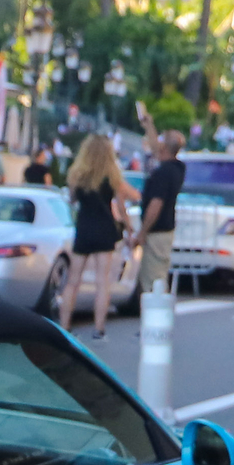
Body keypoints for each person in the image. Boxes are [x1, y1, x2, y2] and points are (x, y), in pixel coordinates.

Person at [59, 133, 136, 340]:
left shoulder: (78, 174)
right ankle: (99, 329)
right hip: (104, 228)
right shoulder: (112, 174)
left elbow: (73, 200)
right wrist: (129, 229)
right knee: (103, 281)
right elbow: (121, 204)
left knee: (73, 280)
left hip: (84, 227)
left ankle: (64, 326)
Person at [136, 129, 187, 295]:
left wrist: (143, 231)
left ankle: (155, 315)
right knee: (159, 275)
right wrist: (148, 125)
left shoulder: (163, 173)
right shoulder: (176, 169)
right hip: (166, 230)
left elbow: (156, 204)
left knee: (153, 278)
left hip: (156, 232)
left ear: (164, 147)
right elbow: (156, 149)